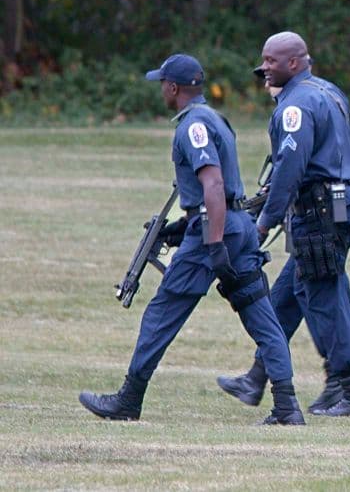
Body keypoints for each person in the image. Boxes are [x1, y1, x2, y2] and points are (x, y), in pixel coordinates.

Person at [79, 54, 303, 425]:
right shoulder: (216, 119)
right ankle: (287, 406)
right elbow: (223, 192)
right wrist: (182, 227)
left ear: (173, 87)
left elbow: (213, 184)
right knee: (261, 316)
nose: (160, 90)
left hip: (214, 234)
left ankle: (128, 400)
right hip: (238, 226)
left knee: (162, 311)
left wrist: (212, 244)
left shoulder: (192, 127)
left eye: (162, 84)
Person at [216, 32, 350, 418]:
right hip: (345, 200)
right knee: (291, 292)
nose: (264, 70)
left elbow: (290, 167)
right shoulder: (328, 91)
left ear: (294, 63)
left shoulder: (295, 106)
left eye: (271, 62)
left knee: (324, 297)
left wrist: (264, 222)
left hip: (321, 209)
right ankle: (257, 376)